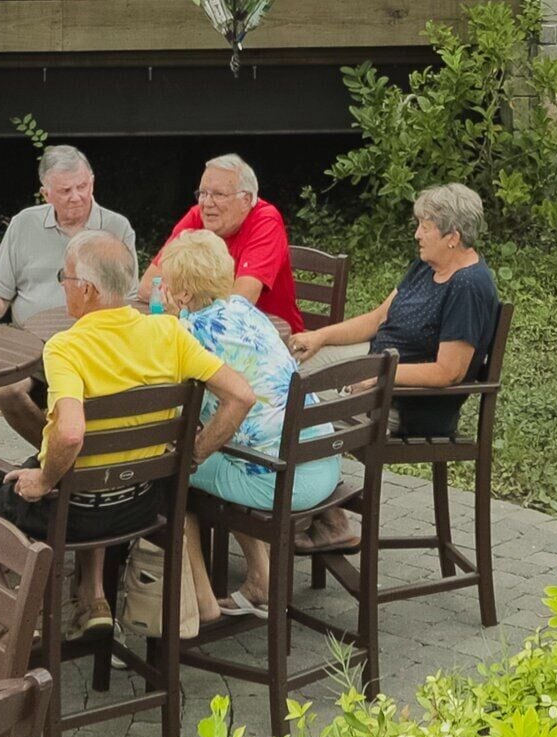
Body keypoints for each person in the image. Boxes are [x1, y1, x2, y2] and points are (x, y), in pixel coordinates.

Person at [0, 233, 254, 632]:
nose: (63, 286)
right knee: (92, 470)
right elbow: (241, 395)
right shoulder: (170, 334)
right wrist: (193, 455)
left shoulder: (67, 347)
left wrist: (44, 479)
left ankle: (13, 622)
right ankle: (92, 598)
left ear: (87, 289)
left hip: (73, 510)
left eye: (65, 278)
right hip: (142, 504)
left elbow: (68, 435)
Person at [152, 230, 341, 616]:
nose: (161, 289)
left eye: (165, 283)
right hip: (320, 459)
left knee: (169, 474)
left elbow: (228, 401)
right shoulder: (243, 307)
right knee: (230, 453)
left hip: (283, 479)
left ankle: (201, 602)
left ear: (183, 294)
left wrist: (193, 456)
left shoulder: (190, 334)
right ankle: (261, 581)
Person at [294, 184, 499, 443]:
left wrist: (380, 376)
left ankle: (302, 477)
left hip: (408, 402)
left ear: (453, 237)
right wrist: (320, 337)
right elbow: (378, 317)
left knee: (297, 400)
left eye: (425, 227)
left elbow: (448, 372)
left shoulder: (468, 286)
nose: (416, 235)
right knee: (295, 366)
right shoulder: (427, 266)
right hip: (377, 364)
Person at [0, 145, 134, 334]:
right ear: (46, 194)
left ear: (92, 183)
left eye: (82, 187)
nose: (76, 197)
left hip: (96, 341)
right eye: (65, 191)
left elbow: (129, 298)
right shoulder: (23, 224)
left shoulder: (117, 228)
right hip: (30, 342)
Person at [168, 153, 299, 334]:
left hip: (268, 340)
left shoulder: (266, 220)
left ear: (245, 200)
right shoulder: (201, 213)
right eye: (203, 193)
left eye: (218, 194)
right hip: (207, 334)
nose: (207, 203)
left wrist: (183, 308)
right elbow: (149, 284)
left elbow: (240, 303)